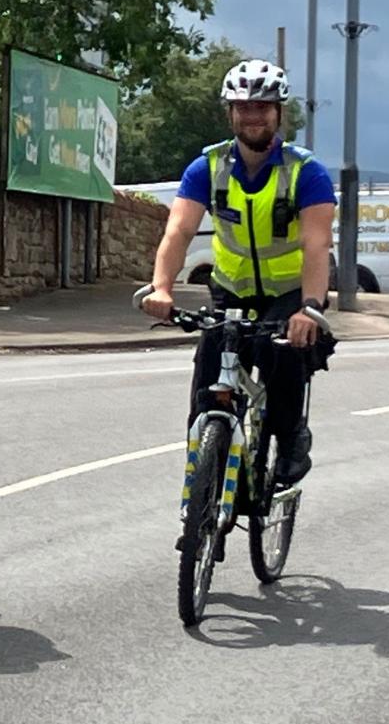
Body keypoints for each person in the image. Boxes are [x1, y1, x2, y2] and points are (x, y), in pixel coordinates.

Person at [143, 59, 336, 487]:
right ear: (230, 113)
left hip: (289, 292)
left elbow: (317, 246)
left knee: (284, 359)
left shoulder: (306, 172)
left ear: (279, 113)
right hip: (230, 293)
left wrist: (309, 307)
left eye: (263, 107)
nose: (253, 116)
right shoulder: (208, 168)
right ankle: (202, 495)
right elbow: (177, 232)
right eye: (243, 107)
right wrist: (161, 287)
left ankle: (290, 441)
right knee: (206, 384)